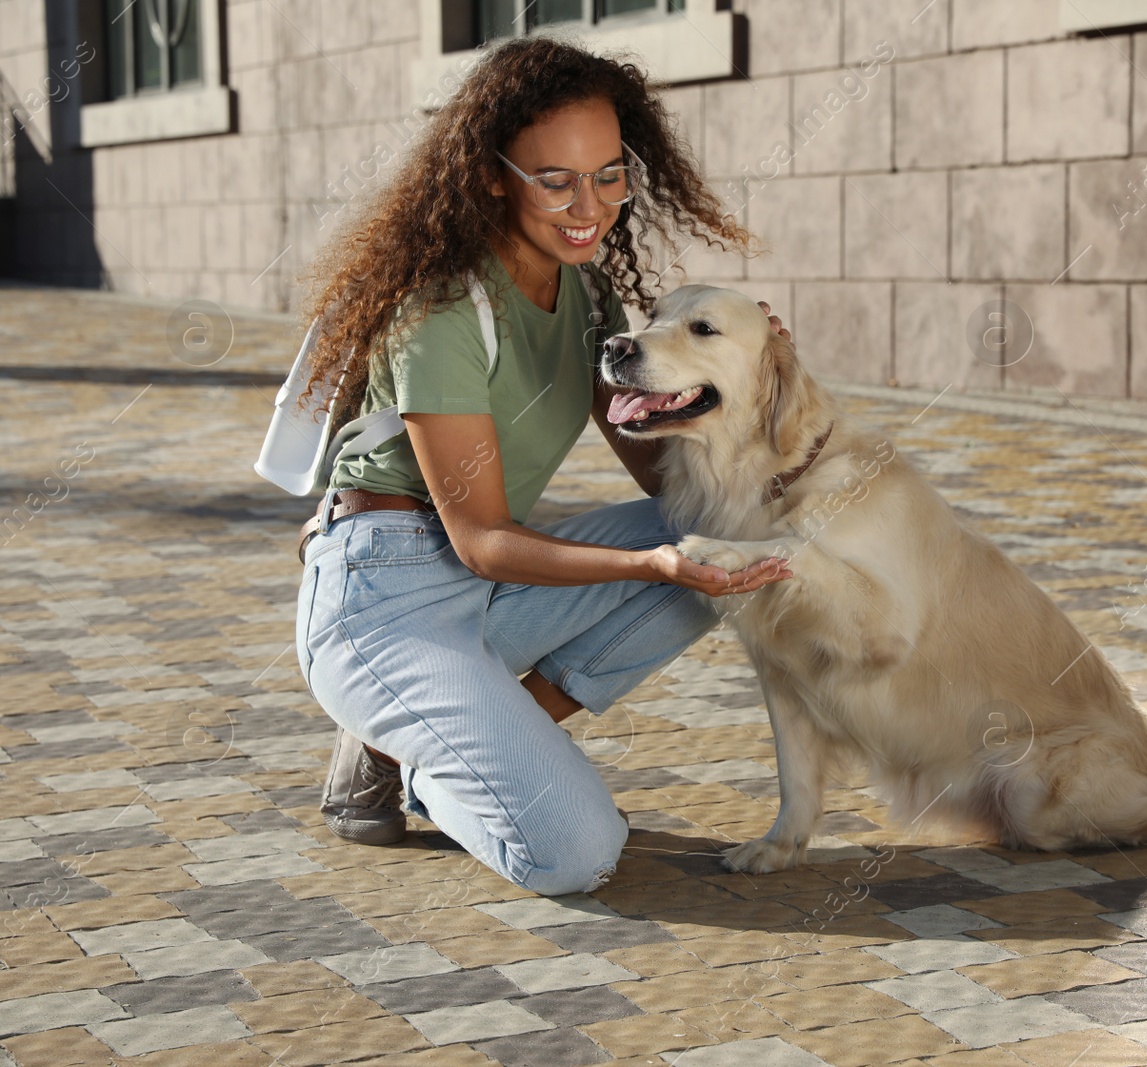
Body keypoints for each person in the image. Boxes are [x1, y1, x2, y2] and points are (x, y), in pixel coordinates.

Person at [292, 36, 793, 896]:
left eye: (608, 174)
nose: (588, 205)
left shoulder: (587, 293)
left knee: (730, 539)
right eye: (555, 180)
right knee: (577, 853)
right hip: (385, 599)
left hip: (484, 593)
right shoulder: (444, 309)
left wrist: (739, 374)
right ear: (491, 174)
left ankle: (407, 740)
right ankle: (418, 751)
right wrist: (651, 565)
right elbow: (484, 538)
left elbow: (662, 475)